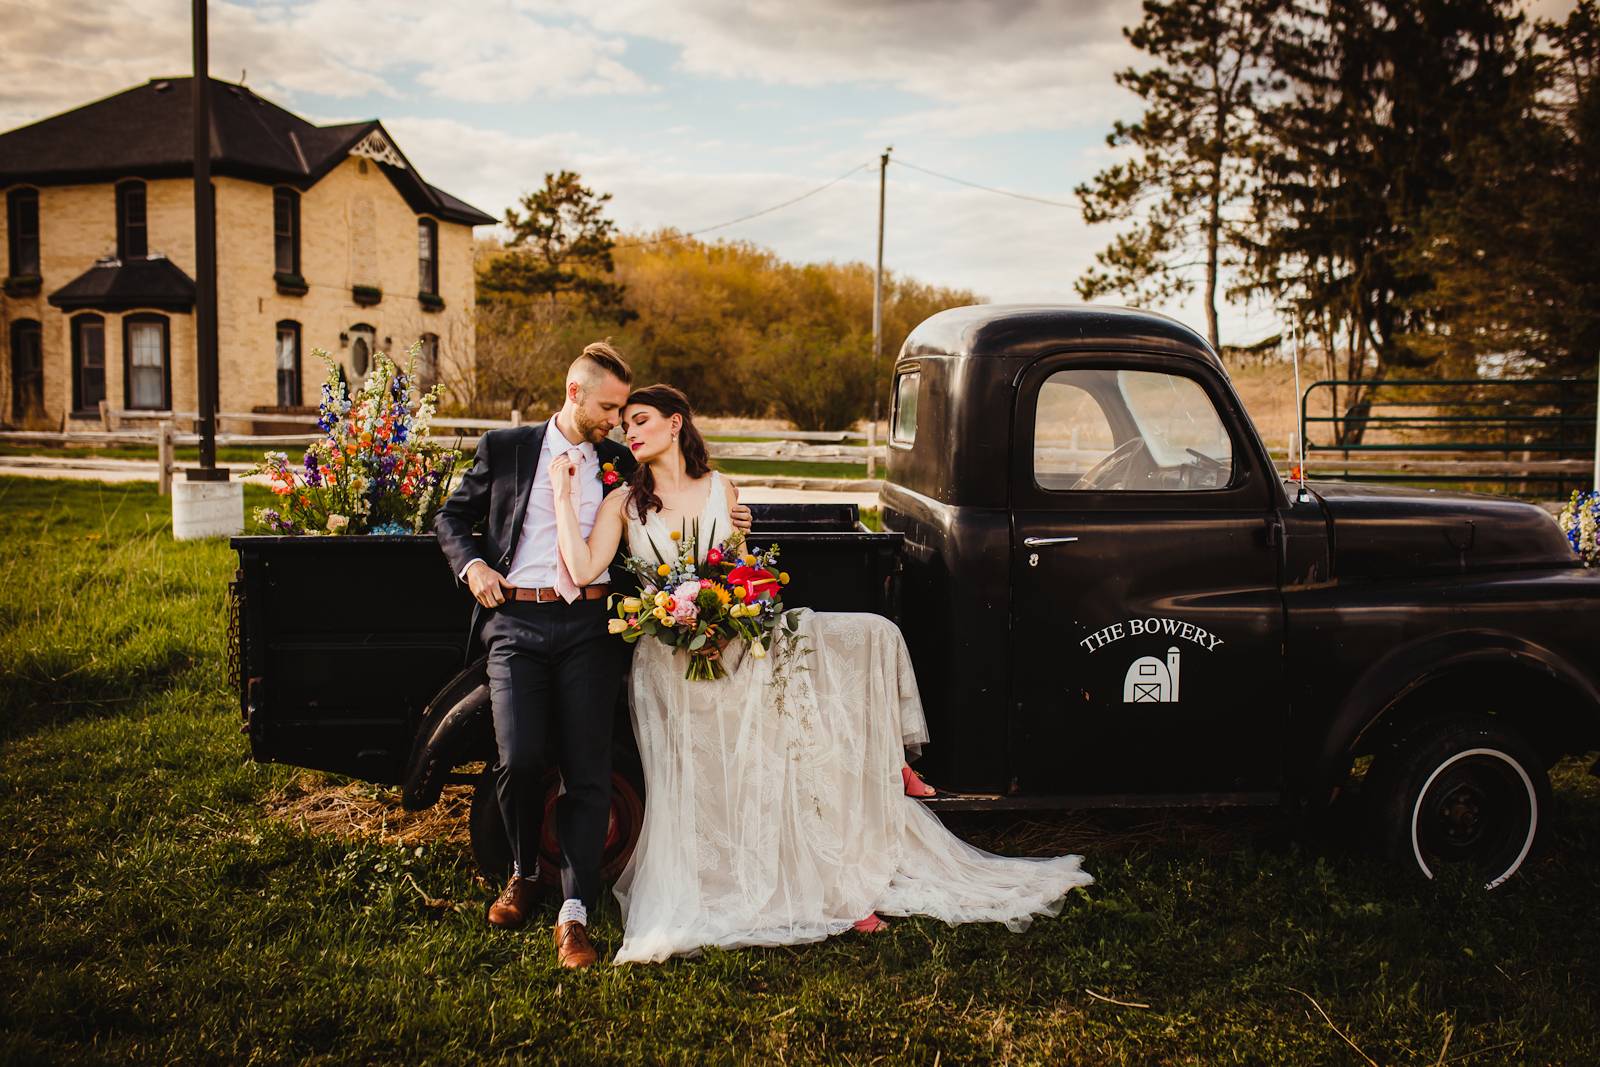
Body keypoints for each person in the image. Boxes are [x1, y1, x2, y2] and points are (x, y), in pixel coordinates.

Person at [550, 384, 1093, 964]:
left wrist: (729, 605)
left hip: (735, 642)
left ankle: (857, 834)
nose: (629, 433)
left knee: (862, 649)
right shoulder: (622, 505)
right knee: (730, 769)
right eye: (626, 424)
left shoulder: (722, 490)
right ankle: (806, 880)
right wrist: (563, 497)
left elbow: (739, 577)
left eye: (641, 420)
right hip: (673, 660)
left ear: (676, 424)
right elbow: (583, 568)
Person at [433, 344, 754, 969]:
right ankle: (525, 873)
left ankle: (574, 913)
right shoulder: (507, 448)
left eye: (624, 412)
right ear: (575, 394)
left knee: (587, 766)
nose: (617, 421)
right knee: (520, 758)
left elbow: (678, 498)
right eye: (609, 407)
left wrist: (734, 513)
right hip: (516, 619)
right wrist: (472, 567)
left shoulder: (618, 461)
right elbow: (452, 517)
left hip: (592, 623)